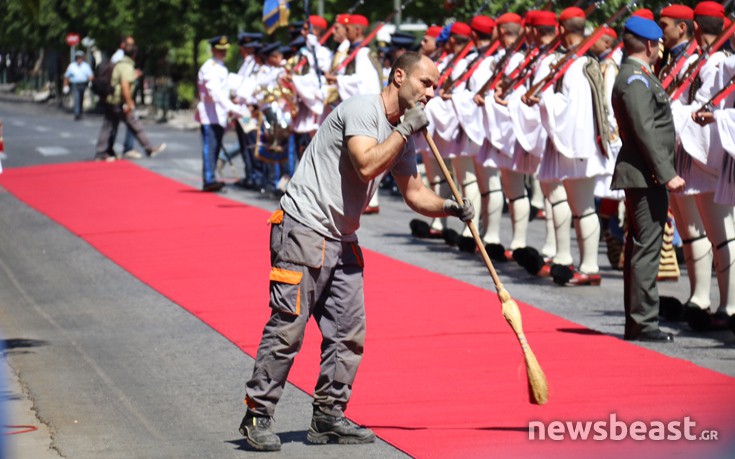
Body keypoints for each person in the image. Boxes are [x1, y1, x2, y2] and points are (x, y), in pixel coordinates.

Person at [238, 52, 474, 451]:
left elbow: (415, 192)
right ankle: (257, 414)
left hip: (342, 237)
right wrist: (403, 133)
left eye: (436, 85)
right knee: (288, 328)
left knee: (349, 334)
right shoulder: (365, 109)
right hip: (304, 229)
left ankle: (328, 416)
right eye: (426, 83)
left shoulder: (403, 129)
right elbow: (365, 164)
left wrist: (449, 207)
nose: (432, 92)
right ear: (399, 77)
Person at [610, 16, 686, 342]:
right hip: (646, 175)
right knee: (646, 249)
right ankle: (643, 323)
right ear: (652, 45)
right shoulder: (635, 80)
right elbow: (643, 130)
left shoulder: (636, 76)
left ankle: (639, 321)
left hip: (645, 174)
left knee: (643, 247)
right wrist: (666, 173)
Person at [94, 36, 166, 162]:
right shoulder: (126, 65)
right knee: (135, 124)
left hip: (112, 100)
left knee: (109, 126)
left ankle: (102, 153)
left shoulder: (121, 63)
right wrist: (129, 103)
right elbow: (125, 85)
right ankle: (148, 148)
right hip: (119, 101)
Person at [195, 35, 248, 191]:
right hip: (211, 114)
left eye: (224, 50)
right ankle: (209, 179)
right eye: (220, 50)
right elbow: (215, 93)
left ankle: (210, 177)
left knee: (215, 146)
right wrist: (233, 108)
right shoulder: (209, 68)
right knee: (210, 147)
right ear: (213, 50)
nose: (223, 53)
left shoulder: (221, 68)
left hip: (219, 114)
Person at [111, 34, 145, 159]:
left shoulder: (121, 58)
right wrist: (129, 102)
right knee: (129, 122)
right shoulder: (120, 57)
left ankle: (112, 149)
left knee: (113, 124)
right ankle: (129, 148)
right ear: (122, 45)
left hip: (120, 97)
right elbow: (124, 82)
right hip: (120, 97)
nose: (132, 47)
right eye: (130, 44)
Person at [63, 50, 94, 120]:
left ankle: (80, 112)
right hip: (75, 84)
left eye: (80, 58)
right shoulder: (72, 66)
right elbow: (66, 76)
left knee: (81, 98)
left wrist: (90, 82)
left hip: (83, 84)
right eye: (78, 58)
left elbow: (91, 76)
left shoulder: (86, 66)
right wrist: (65, 86)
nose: (79, 59)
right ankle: (77, 113)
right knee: (76, 98)